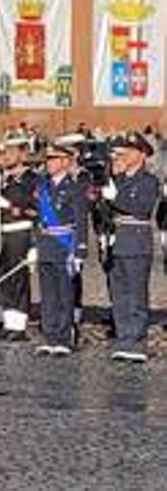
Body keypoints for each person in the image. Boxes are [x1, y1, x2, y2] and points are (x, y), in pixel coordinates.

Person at [102, 132, 160, 363]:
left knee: (136, 294)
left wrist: (115, 199)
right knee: (119, 293)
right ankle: (123, 338)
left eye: (130, 151)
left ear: (142, 155)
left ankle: (136, 341)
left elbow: (141, 208)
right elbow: (107, 212)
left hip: (136, 240)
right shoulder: (120, 179)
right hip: (118, 240)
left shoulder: (149, 181)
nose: (125, 154)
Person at [35, 137, 89, 356]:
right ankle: (49, 336)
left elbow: (80, 220)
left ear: (66, 161)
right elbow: (39, 219)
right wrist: (33, 245)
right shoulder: (43, 186)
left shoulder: (74, 187)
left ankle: (64, 338)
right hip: (46, 244)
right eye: (48, 159)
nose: (49, 162)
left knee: (65, 294)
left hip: (64, 245)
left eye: (54, 158)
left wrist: (79, 251)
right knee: (47, 295)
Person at [0, 136, 38, 340]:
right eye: (5, 151)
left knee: (17, 278)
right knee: (2, 277)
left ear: (22, 154)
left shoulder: (31, 179)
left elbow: (36, 210)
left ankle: (19, 325)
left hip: (20, 231)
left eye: (11, 151)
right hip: (0, 231)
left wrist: (9, 206)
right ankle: (9, 322)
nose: (6, 155)